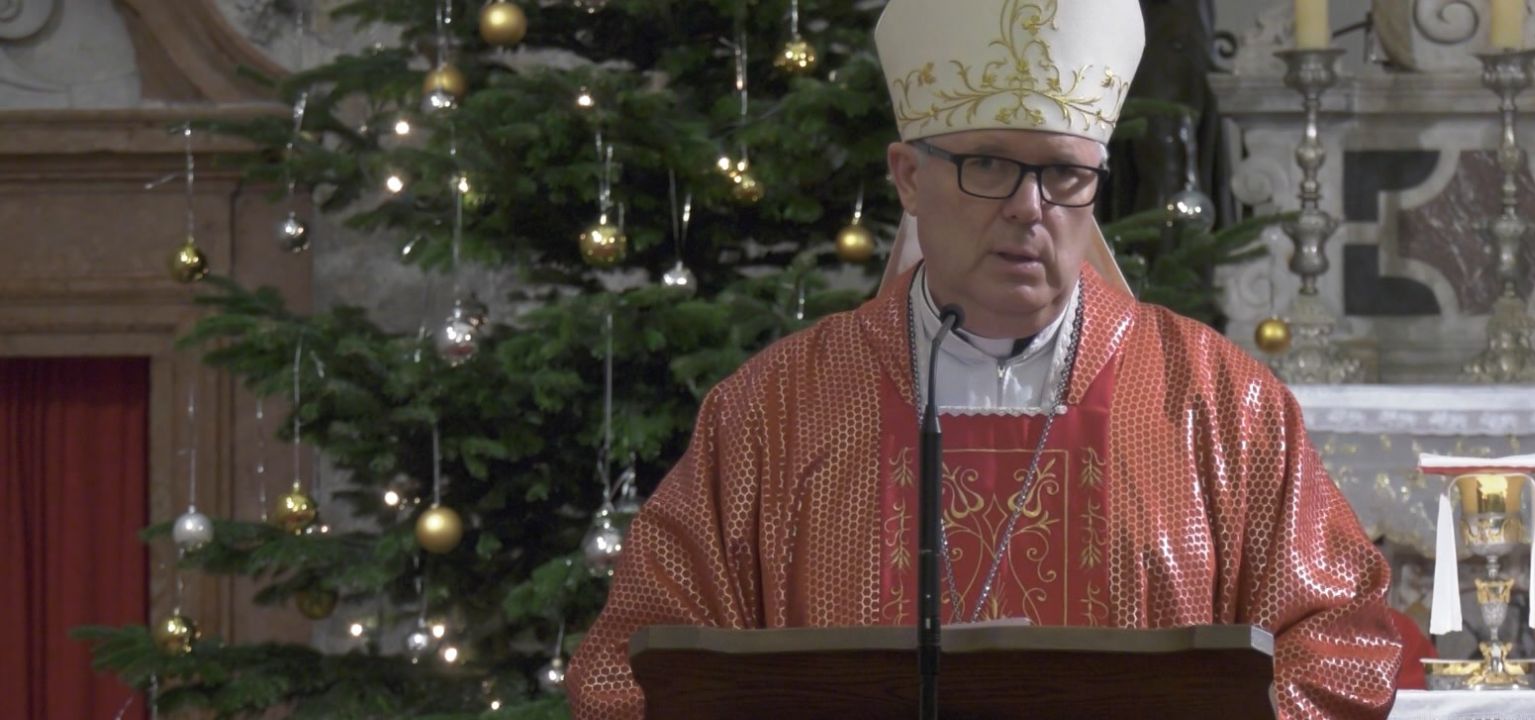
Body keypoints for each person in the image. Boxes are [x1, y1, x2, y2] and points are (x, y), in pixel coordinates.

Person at [568, 1, 1402, 717]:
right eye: (989, 165)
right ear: (907, 177)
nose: (1028, 208)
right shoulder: (776, 410)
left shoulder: (1219, 403)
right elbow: (630, 669)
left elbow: (1341, 641)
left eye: (1064, 174)